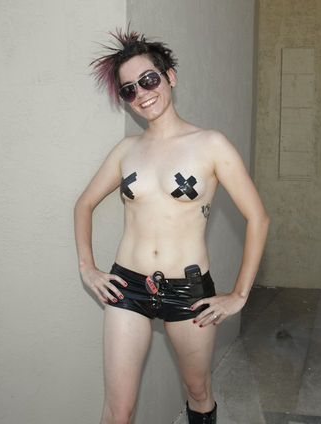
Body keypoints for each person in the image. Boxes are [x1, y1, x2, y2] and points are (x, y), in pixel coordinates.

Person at [74, 28, 269, 424]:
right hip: (127, 287)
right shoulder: (126, 150)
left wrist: (239, 295)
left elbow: (258, 218)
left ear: (170, 76)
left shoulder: (211, 144)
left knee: (197, 390)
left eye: (149, 79)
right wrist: (87, 268)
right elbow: (84, 204)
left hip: (188, 292)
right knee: (118, 410)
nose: (142, 93)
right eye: (129, 89)